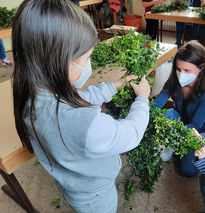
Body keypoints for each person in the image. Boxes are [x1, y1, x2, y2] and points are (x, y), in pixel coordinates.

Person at [12, 0, 150, 213]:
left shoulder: (33, 93)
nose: (89, 66)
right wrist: (142, 99)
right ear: (57, 61)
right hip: (95, 196)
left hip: (74, 187)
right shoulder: (85, 124)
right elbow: (130, 133)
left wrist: (112, 86)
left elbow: (76, 100)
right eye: (86, 59)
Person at [154, 40, 205, 176]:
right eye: (178, 69)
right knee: (169, 114)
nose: (181, 74)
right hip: (180, 120)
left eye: (187, 70)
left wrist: (170, 136)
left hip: (198, 132)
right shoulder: (174, 80)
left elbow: (195, 124)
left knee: (188, 171)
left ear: (201, 68)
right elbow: (156, 105)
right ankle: (173, 145)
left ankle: (173, 145)